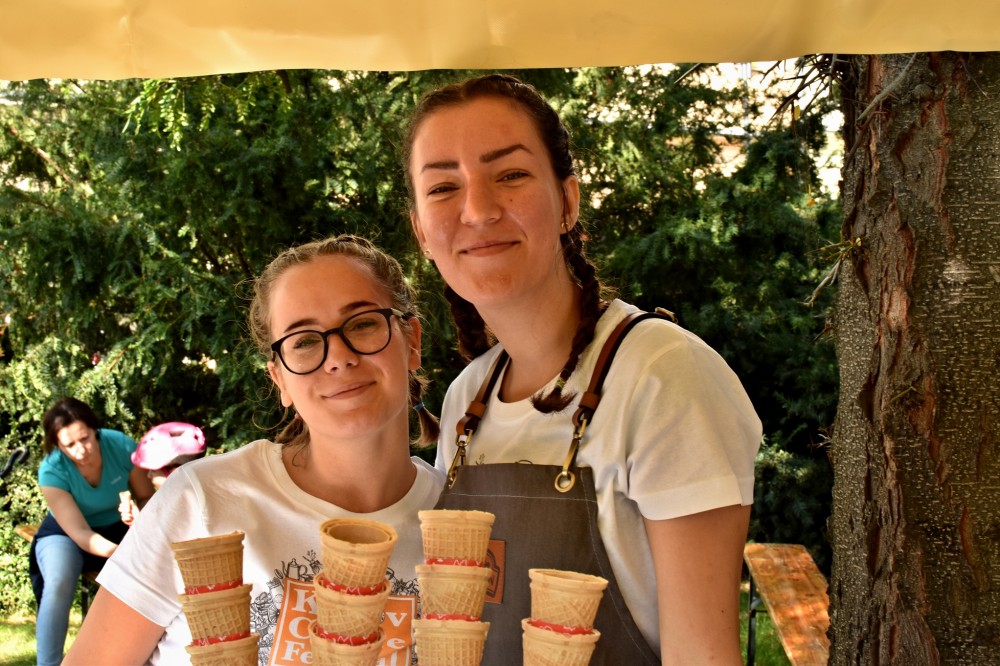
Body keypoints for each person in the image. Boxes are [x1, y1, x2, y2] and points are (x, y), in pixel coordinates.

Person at [403, 73, 762, 665]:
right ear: (421, 231)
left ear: (567, 201)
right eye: (443, 187)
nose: (479, 209)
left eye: (510, 175)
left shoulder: (664, 377)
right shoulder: (467, 398)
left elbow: (702, 656)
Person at [65, 234, 445, 665]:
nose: (338, 357)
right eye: (303, 341)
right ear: (280, 379)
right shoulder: (204, 500)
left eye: (362, 323)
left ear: (412, 340)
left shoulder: (456, 515)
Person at [32, 397, 155, 666]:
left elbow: (147, 497)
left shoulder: (120, 445)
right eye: (70, 445)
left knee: (150, 572)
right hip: (66, 534)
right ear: (58, 445)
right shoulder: (51, 470)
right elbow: (79, 533)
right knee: (59, 581)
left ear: (94, 430)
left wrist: (138, 516)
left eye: (85, 439)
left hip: (118, 526)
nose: (80, 450)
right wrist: (120, 552)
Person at [118, 422, 207, 525]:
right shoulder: (175, 501)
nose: (148, 475)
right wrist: (137, 522)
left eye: (153, 470)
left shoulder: (190, 509)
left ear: (173, 471)